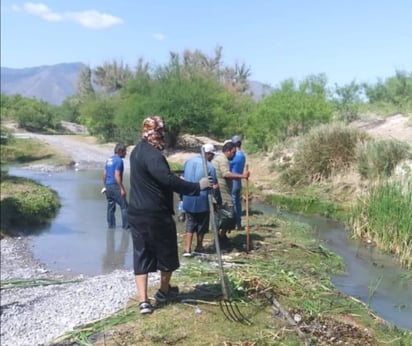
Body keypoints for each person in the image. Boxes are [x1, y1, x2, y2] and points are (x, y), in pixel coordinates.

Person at [128, 115, 213, 315]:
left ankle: (143, 302)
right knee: (167, 253)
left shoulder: (136, 152)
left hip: (136, 213)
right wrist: (196, 186)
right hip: (155, 214)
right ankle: (164, 292)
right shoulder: (153, 155)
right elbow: (167, 180)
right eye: (161, 133)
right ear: (155, 133)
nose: (163, 137)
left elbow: (157, 177)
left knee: (141, 253)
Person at [181, 143, 219, 257]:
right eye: (212, 155)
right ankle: (199, 246)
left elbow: (182, 178)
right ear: (208, 154)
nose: (212, 157)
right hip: (202, 198)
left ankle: (187, 248)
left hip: (188, 196)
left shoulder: (188, 162)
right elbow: (214, 186)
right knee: (202, 223)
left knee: (190, 221)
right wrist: (217, 200)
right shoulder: (210, 167)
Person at [212, 141, 250, 243]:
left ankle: (220, 235)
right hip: (222, 192)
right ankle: (221, 236)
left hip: (220, 191)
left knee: (220, 214)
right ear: (227, 151)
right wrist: (243, 176)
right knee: (229, 214)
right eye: (233, 152)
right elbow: (226, 174)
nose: (234, 155)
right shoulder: (223, 160)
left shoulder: (219, 158)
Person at [103, 143, 128, 229]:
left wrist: (105, 186)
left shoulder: (109, 160)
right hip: (115, 186)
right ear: (120, 151)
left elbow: (104, 174)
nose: (126, 153)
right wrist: (122, 189)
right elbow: (117, 175)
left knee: (110, 207)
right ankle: (126, 227)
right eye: (125, 152)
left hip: (108, 186)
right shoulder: (119, 161)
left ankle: (111, 226)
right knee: (124, 207)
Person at [230, 135, 247, 230]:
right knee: (237, 202)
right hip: (238, 181)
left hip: (233, 181)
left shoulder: (234, 155)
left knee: (233, 202)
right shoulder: (242, 155)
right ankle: (239, 222)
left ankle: (235, 223)